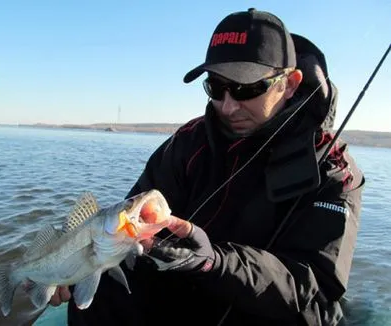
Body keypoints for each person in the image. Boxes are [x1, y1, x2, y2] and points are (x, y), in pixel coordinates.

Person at [56, 8, 365, 325]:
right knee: (104, 285)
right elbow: (128, 223)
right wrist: (81, 260)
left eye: (247, 89)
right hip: (189, 283)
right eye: (217, 87)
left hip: (265, 304)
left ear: (289, 83)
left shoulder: (333, 170)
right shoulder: (189, 141)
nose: (229, 106)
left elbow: (314, 287)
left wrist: (214, 263)